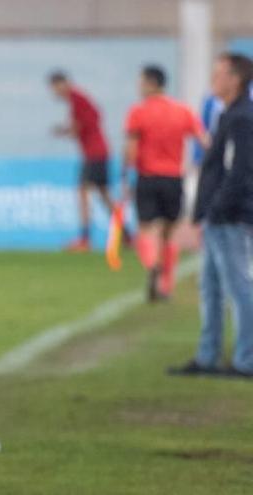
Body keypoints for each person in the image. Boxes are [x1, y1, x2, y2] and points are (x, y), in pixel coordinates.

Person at [169, 53, 253, 379]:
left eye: (219, 73)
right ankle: (208, 357)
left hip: (230, 217)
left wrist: (217, 209)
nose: (213, 79)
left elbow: (239, 172)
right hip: (218, 216)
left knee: (238, 288)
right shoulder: (229, 115)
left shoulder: (241, 118)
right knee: (212, 288)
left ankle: (246, 361)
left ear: (235, 79)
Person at [122, 65, 208, 302]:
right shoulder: (182, 111)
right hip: (173, 178)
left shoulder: (138, 112)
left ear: (151, 83)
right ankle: (166, 284)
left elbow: (131, 149)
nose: (139, 87)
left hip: (147, 177)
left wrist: (125, 176)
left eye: (141, 82)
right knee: (169, 234)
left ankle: (152, 264)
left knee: (145, 228)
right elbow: (204, 141)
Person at [50, 71, 127, 252]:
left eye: (56, 88)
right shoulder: (79, 99)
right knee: (104, 195)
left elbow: (78, 128)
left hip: (94, 153)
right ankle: (126, 235)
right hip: (99, 151)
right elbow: (91, 120)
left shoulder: (77, 99)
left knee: (82, 192)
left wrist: (63, 132)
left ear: (64, 83)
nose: (56, 93)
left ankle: (85, 238)